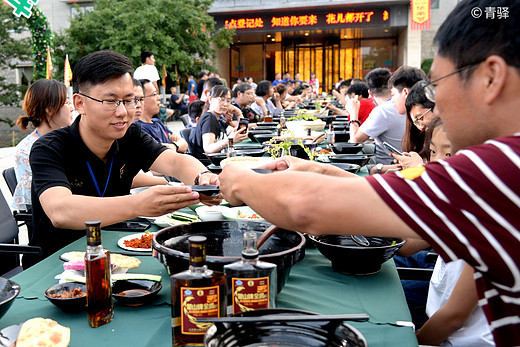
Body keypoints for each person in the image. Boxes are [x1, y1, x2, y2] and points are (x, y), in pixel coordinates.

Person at [219, 0, 520, 344]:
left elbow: (304, 206)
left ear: (491, 77)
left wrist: (240, 179)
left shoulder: (500, 171)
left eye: (438, 84)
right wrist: (316, 168)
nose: (435, 107)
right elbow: (388, 197)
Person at [27, 50, 220, 267]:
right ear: (80, 103)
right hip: (55, 264)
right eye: (111, 101)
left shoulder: (130, 136)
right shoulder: (49, 147)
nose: (123, 112)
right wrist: (138, 204)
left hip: (116, 254)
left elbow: (174, 161)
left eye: (129, 101)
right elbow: (60, 211)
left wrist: (203, 177)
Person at [13, 79, 74, 212]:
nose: (72, 108)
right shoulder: (26, 150)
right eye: (67, 102)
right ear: (50, 109)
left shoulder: (69, 138)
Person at [349, 66, 425, 169]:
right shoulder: (421, 113)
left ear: (405, 93)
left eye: (393, 94)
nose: (392, 100)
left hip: (394, 168)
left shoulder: (385, 110)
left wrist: (353, 112)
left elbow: (354, 141)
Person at [188, 85, 247, 161]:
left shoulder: (219, 118)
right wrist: (230, 140)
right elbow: (208, 148)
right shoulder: (209, 118)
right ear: (210, 99)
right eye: (221, 99)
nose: (225, 104)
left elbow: (243, 131)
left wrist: (238, 113)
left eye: (228, 101)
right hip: (207, 164)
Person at [135, 80, 187, 153]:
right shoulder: (138, 128)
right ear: (141, 99)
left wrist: (174, 146)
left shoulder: (157, 122)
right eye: (154, 94)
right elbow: (158, 150)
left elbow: (184, 144)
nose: (159, 98)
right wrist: (175, 145)